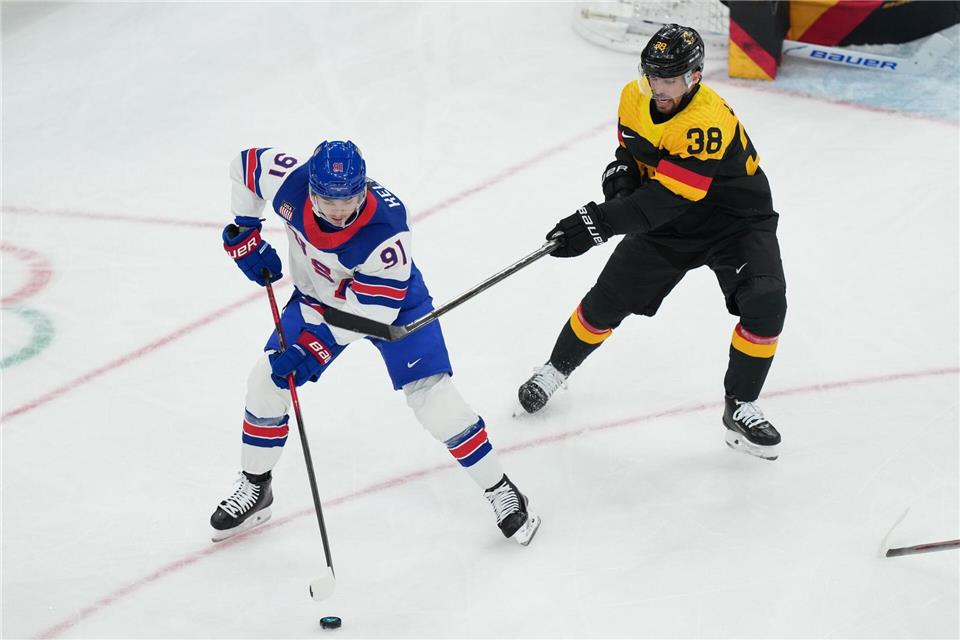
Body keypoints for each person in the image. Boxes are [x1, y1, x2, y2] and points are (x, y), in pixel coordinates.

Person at [211, 140, 540, 545]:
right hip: (318, 296)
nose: (337, 210)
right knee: (265, 382)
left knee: (435, 401)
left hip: (391, 305)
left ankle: (500, 488)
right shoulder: (290, 182)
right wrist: (245, 230)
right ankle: (256, 486)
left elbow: (372, 314)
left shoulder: (386, 232)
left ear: (363, 188)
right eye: (327, 199)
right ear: (310, 187)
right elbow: (246, 166)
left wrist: (310, 348)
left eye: (348, 198)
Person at [518, 24, 787, 461]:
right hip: (671, 223)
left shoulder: (707, 123)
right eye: (651, 78)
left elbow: (664, 200)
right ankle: (554, 369)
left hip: (735, 222)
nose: (658, 90)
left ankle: (741, 406)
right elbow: (633, 154)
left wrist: (598, 222)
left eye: (670, 81)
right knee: (606, 302)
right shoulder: (633, 96)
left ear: (695, 77)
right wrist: (620, 178)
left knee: (766, 300)